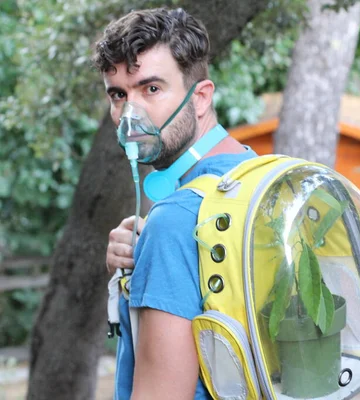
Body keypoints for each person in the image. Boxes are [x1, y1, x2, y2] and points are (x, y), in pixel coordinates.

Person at [94, 8, 257, 399]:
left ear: (200, 97)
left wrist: (161, 241)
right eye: (119, 94)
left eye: (150, 89)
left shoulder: (175, 221)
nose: (129, 116)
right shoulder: (252, 175)